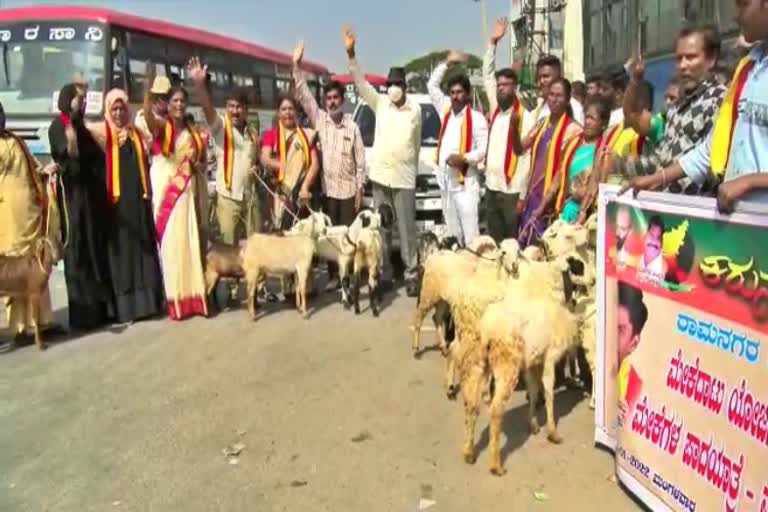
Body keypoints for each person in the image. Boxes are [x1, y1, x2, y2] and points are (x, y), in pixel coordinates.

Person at [623, 0, 768, 213]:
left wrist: (750, 182)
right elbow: (713, 148)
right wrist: (659, 178)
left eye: (743, 4)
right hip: (742, 223)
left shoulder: (715, 98)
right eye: (678, 58)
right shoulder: (748, 68)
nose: (736, 16)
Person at [344, 25, 421, 296]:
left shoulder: (416, 110)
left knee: (407, 229)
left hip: (404, 178)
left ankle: (412, 273)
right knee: (382, 230)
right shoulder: (380, 104)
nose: (393, 89)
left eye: (398, 84)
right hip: (380, 177)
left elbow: (415, 142)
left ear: (405, 87)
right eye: (390, 85)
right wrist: (351, 54)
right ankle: (385, 272)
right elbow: (360, 84)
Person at [81, 89, 165, 324]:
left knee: (144, 252)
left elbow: (155, 134)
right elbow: (82, 135)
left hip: (139, 201)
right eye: (114, 109)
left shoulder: (137, 133)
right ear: (108, 110)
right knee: (122, 254)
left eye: (122, 109)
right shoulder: (101, 133)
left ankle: (149, 303)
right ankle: (126, 308)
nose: (118, 114)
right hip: (117, 208)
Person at [292, 41, 365, 290]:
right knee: (331, 235)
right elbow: (303, 94)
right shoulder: (320, 120)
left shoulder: (352, 127)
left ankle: (351, 275)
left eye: (336, 98)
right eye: (328, 99)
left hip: (347, 191)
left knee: (348, 235)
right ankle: (335, 276)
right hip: (328, 191)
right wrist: (296, 65)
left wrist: (360, 189)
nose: (332, 102)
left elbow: (361, 162)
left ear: (343, 101)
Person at [623, 25, 727, 195]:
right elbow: (663, 159)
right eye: (679, 59)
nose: (682, 65)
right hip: (667, 210)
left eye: (691, 57)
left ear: (711, 59)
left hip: (694, 213)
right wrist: (620, 164)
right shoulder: (677, 105)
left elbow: (708, 164)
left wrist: (662, 179)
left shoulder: (718, 100)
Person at [142, 65, 209, 320]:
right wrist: (147, 92)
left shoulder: (193, 132)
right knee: (170, 245)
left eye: (182, 101)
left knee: (188, 242)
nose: (179, 105)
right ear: (167, 104)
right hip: (166, 188)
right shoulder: (162, 126)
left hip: (187, 192)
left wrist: (197, 164)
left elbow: (201, 163)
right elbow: (148, 120)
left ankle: (193, 298)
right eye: (174, 101)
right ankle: (175, 301)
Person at [48, 83, 115, 331]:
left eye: (85, 99)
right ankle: (82, 315)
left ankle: (100, 310)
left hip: (91, 201)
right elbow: (65, 157)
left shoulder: (82, 128)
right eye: (79, 99)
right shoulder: (60, 126)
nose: (83, 103)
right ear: (68, 100)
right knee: (77, 252)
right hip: (73, 201)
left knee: (94, 250)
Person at [1, 102, 62, 351]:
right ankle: (19, 328)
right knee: (13, 271)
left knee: (37, 270)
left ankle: (42, 321)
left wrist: (46, 171)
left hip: (29, 216)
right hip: (9, 219)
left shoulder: (14, 139)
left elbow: (32, 169)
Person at [188, 57, 261, 246]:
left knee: (255, 248)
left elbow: (256, 162)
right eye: (231, 106)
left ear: (246, 110)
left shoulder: (252, 133)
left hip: (250, 197)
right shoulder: (220, 127)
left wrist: (258, 170)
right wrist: (199, 84)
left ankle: (254, 278)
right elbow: (207, 108)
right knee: (229, 248)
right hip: (228, 198)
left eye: (239, 107)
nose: (234, 111)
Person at [427, 50, 489, 246]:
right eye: (452, 93)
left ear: (467, 94)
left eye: (459, 92)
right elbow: (432, 85)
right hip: (446, 185)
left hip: (466, 185)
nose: (455, 97)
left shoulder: (477, 119)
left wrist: (463, 158)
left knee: (471, 237)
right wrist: (447, 62)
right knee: (453, 237)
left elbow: (483, 150)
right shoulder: (445, 110)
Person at [482, 17, 535, 243]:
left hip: (512, 191)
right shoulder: (495, 109)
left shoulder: (525, 116)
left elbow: (525, 159)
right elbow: (486, 74)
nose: (501, 89)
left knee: (511, 244)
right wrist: (493, 43)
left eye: (505, 85)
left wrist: (522, 195)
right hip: (491, 187)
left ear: (515, 87)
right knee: (494, 242)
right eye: (499, 85)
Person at [518, 78, 582, 245]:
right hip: (533, 196)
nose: (553, 99)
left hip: (553, 200)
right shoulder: (542, 123)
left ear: (568, 99)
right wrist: (512, 128)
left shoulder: (574, 130)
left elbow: (566, 170)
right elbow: (520, 148)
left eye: (559, 95)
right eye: (551, 94)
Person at [532, 98, 611, 224]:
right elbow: (559, 175)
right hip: (565, 208)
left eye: (593, 118)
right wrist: (542, 206)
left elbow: (597, 185)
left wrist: (582, 212)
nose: (588, 122)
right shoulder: (573, 144)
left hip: (587, 216)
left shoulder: (604, 152)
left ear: (603, 124)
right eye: (586, 117)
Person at [260, 96, 319, 232]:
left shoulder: (306, 136)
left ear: (296, 112)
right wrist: (283, 167)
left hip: (299, 195)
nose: (287, 112)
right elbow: (265, 158)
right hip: (278, 193)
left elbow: (314, 164)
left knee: (299, 234)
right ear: (279, 113)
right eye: (284, 109)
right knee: (279, 234)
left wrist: (305, 187)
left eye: (291, 109)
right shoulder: (271, 135)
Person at [531, 55, 585, 125]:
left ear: (558, 77)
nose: (541, 81)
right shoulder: (538, 110)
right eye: (539, 77)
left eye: (546, 76)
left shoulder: (575, 108)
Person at [135, 75, 171, 155]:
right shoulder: (142, 118)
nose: (166, 101)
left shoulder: (173, 118)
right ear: (154, 97)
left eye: (167, 97)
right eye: (162, 97)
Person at [637, 215, 666, 283]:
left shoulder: (664, 268)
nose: (654, 241)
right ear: (644, 236)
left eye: (658, 237)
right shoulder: (636, 259)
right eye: (651, 235)